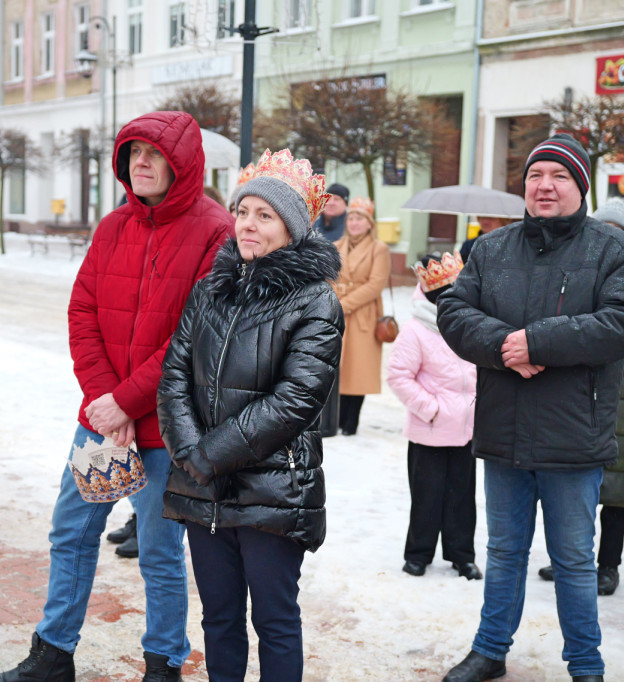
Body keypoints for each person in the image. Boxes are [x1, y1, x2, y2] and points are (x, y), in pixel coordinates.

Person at [0, 111, 233, 682]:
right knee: (73, 533)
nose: (140, 162)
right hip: (105, 423)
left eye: (154, 153)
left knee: (161, 554)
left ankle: (163, 663)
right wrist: (104, 401)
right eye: (133, 151)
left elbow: (192, 339)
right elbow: (82, 311)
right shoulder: (113, 227)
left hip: (164, 428)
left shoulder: (216, 232)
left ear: (183, 162)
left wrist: (129, 403)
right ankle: (52, 655)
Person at [436, 133, 624, 682]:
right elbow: (455, 313)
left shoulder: (613, 250)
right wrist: (506, 346)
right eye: (535, 176)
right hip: (504, 431)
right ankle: (489, 651)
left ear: (580, 185)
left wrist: (540, 342)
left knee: (576, 560)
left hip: (574, 434)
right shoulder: (490, 248)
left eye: (558, 176)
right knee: (504, 551)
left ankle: (585, 663)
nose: (544, 186)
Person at [158, 148, 345, 682]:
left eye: (264, 215)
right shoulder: (211, 289)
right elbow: (174, 376)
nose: (247, 224)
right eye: (243, 212)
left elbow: (296, 399)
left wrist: (209, 454)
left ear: (291, 227)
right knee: (218, 618)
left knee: (275, 619)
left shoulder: (314, 301)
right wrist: (191, 451)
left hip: (274, 490)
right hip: (203, 488)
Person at [538, 197, 624, 597]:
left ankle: (608, 565)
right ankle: (569, 559)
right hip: (576, 392)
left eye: (617, 231)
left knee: (617, 491)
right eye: (604, 229)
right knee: (570, 487)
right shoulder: (577, 271)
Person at [387, 252, 480, 580]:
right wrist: (432, 410)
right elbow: (399, 376)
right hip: (429, 429)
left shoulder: (468, 326)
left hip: (466, 429)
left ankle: (461, 555)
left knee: (462, 496)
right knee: (426, 496)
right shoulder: (415, 331)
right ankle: (418, 554)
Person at [331, 196, 391, 435]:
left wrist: (345, 303)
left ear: (369, 224)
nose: (355, 223)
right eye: (352, 218)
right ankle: (335, 419)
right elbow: (328, 278)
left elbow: (375, 284)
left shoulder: (379, 249)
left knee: (358, 371)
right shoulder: (335, 246)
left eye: (360, 219)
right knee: (338, 368)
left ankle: (351, 422)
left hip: (363, 315)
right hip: (337, 312)